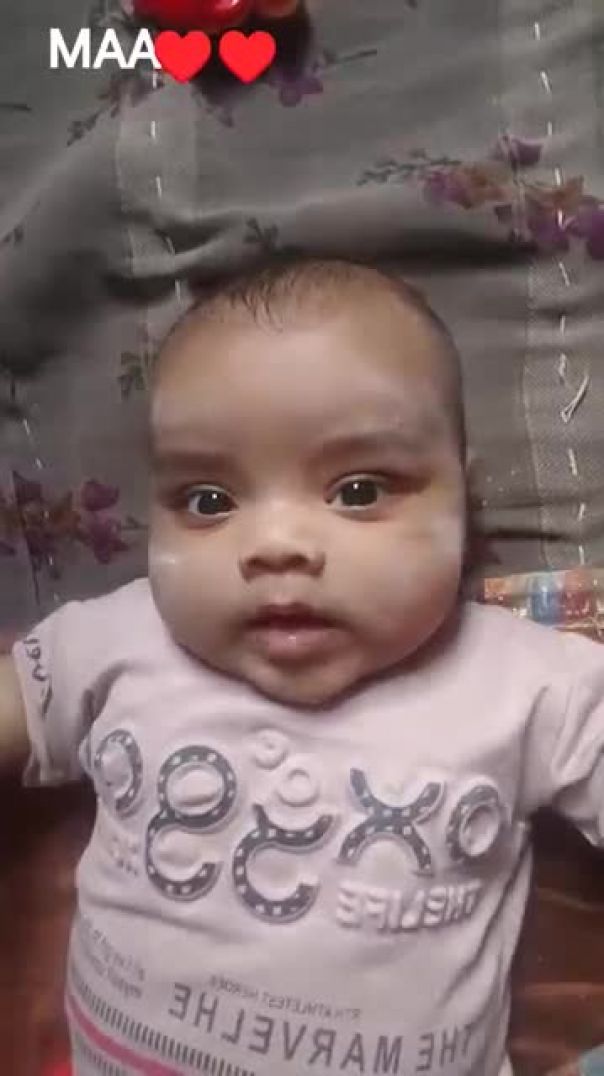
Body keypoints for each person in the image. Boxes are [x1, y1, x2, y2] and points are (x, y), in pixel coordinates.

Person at [2, 257, 604, 1076]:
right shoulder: (123, 637)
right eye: (208, 501)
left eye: (359, 491)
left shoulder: (525, 682)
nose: (276, 545)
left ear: (463, 502)